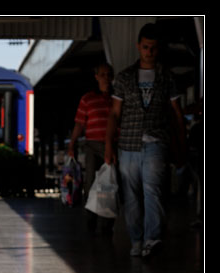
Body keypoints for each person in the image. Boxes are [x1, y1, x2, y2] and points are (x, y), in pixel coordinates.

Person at [105, 23, 187, 257]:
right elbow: (114, 113)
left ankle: (152, 238)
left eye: (153, 48)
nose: (149, 51)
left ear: (158, 49)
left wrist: (180, 145)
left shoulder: (166, 77)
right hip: (128, 144)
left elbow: (177, 115)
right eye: (145, 47)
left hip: (156, 142)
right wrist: (109, 145)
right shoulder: (124, 77)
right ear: (138, 47)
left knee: (154, 191)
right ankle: (136, 239)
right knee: (131, 195)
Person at [68, 62, 115, 234]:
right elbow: (79, 124)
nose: (106, 78)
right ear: (96, 77)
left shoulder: (117, 98)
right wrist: (72, 144)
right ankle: (91, 220)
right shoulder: (88, 98)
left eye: (109, 74)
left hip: (113, 147)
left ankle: (107, 223)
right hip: (92, 145)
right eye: (102, 74)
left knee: (109, 185)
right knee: (90, 183)